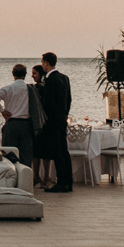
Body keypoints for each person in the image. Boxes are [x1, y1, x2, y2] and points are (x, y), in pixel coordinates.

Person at [40, 51, 73, 193]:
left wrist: (45, 119)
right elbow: (69, 99)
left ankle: (61, 182)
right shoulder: (65, 78)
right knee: (64, 150)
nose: (42, 65)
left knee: (57, 151)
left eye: (42, 62)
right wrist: (65, 114)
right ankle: (68, 182)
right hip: (62, 118)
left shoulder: (50, 79)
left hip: (53, 120)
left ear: (47, 63)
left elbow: (48, 103)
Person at [0, 64, 35, 168]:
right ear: (25, 75)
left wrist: (2, 111)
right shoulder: (30, 89)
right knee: (26, 155)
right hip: (26, 124)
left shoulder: (8, 88)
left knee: (9, 155)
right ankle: (25, 175)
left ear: (13, 74)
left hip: (12, 123)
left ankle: (10, 175)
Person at [28, 66, 49, 186]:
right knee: (35, 150)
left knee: (45, 151)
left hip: (44, 122)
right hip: (35, 122)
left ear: (40, 74)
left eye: (34, 73)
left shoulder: (45, 88)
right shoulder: (33, 88)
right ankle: (36, 176)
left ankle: (46, 177)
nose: (32, 76)